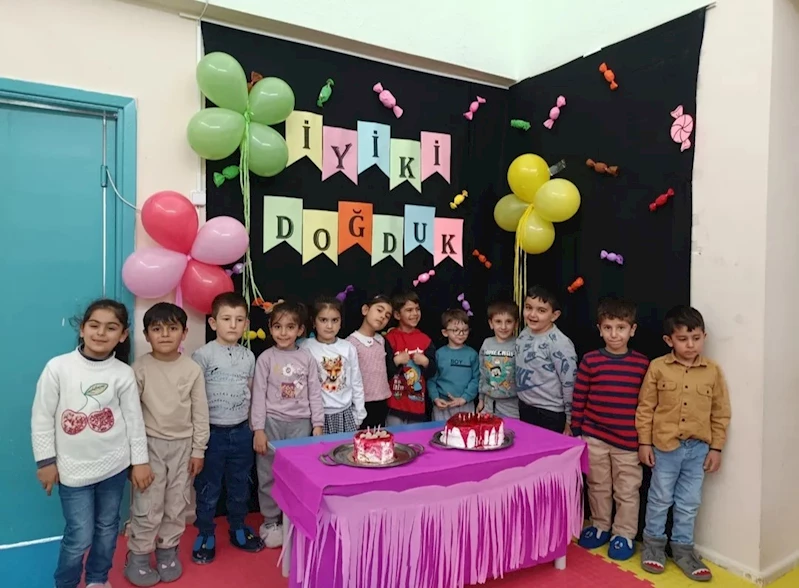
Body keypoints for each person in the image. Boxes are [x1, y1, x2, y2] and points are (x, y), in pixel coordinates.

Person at [31, 299, 152, 588]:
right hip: (73, 471)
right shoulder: (58, 368)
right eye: (94, 325)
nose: (101, 333)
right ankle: (67, 583)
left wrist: (140, 461)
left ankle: (98, 579)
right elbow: (42, 416)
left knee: (108, 529)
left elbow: (134, 421)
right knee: (79, 536)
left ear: (122, 335)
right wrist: (46, 462)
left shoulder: (122, 373)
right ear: (82, 329)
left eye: (111, 328)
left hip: (114, 468)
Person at [636, 306, 731, 581]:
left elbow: (720, 412)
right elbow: (645, 408)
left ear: (704, 337)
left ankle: (683, 550)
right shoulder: (657, 367)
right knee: (659, 499)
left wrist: (716, 447)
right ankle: (653, 546)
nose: (691, 345)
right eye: (683, 339)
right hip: (665, 448)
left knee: (689, 503)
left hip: (698, 450)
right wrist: (644, 443)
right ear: (669, 340)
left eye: (696, 338)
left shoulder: (712, 371)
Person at [125, 303, 209, 586]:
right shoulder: (139, 369)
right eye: (157, 329)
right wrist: (136, 458)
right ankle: (138, 556)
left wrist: (198, 450)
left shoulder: (192, 369)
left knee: (176, 503)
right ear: (146, 335)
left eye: (172, 328)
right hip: (149, 447)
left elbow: (200, 413)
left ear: (184, 333)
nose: (164, 334)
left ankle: (167, 552)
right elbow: (131, 416)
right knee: (148, 504)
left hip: (183, 448)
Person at [572, 297, 650, 561]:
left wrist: (644, 440)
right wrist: (577, 430)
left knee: (627, 490)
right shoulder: (591, 361)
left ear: (632, 330)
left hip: (628, 442)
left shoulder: (642, 364)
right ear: (600, 329)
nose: (614, 334)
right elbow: (579, 397)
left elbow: (647, 404)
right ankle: (600, 525)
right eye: (608, 328)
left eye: (621, 328)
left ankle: (624, 534)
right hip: (594, 437)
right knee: (597, 485)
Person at [191, 292, 263, 564]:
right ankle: (205, 533)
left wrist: (254, 427)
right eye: (226, 319)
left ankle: (238, 527)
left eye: (239, 319)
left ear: (246, 324)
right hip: (212, 434)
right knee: (208, 488)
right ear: (213, 323)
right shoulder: (202, 355)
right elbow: (195, 397)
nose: (233, 325)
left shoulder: (249, 356)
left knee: (240, 484)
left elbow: (252, 392)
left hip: (241, 432)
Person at [252, 301, 324, 548]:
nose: (283, 333)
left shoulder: (307, 358)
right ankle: (271, 521)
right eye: (278, 327)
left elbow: (315, 393)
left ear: (300, 330)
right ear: (270, 328)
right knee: (268, 474)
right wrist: (258, 430)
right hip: (271, 424)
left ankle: (293, 519)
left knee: (298, 475)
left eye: (290, 327)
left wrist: (317, 424)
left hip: (300, 425)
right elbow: (258, 396)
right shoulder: (265, 359)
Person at [515, 285, 578, 433]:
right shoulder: (525, 332)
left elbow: (569, 383)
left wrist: (570, 420)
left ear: (554, 315)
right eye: (528, 307)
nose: (532, 314)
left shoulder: (560, 344)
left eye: (541, 310)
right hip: (524, 407)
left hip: (550, 413)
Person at [300, 297, 366, 433]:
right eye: (323, 320)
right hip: (316, 416)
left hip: (345, 413)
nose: (329, 326)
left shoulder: (348, 348)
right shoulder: (305, 347)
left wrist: (359, 415)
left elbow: (356, 382)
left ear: (341, 322)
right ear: (314, 322)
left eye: (335, 320)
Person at [385, 291, 437, 425]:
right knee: (395, 437)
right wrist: (396, 361)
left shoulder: (425, 340)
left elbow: (433, 371)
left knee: (416, 437)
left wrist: (426, 362)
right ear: (397, 315)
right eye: (409, 310)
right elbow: (382, 372)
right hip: (394, 405)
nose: (415, 313)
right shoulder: (389, 339)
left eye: (417, 309)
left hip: (417, 405)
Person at [347, 295, 394, 428]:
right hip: (360, 403)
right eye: (379, 310)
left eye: (387, 316)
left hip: (382, 400)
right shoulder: (350, 342)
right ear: (365, 310)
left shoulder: (382, 341)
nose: (382, 316)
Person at [428, 309, 480, 420]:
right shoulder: (439, 354)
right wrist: (435, 398)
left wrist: (464, 398)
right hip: (442, 405)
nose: (461, 334)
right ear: (445, 332)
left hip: (465, 404)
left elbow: (476, 379)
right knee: (441, 430)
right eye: (455, 330)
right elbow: (431, 379)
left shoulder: (472, 354)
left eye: (465, 330)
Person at [477, 301, 519, 418]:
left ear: (516, 324)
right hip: (488, 404)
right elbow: (482, 373)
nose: (503, 327)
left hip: (512, 405)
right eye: (498, 321)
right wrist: (481, 399)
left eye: (509, 321)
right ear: (491, 323)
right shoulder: (487, 343)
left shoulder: (519, 344)